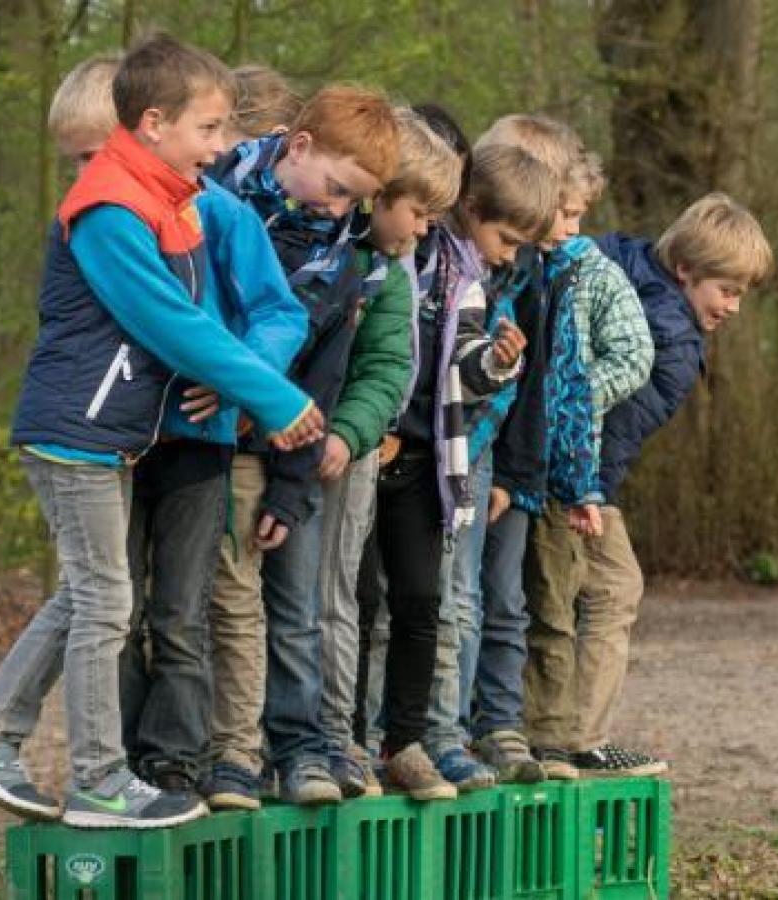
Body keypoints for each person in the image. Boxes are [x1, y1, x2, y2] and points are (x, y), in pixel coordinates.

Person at [0, 33, 323, 829]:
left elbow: (225, 311)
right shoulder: (109, 209)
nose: (220, 147)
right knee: (107, 601)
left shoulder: (166, 199)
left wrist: (249, 385)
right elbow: (173, 323)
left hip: (111, 434)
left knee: (88, 596)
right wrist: (276, 400)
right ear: (153, 123)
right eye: (208, 129)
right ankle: (98, 780)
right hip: (76, 432)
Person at [524, 192, 772, 778]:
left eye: (741, 293)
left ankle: (552, 731)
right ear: (685, 269)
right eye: (726, 290)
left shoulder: (613, 256)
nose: (733, 307)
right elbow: (614, 429)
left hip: (547, 460)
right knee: (613, 587)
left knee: (560, 594)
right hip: (573, 475)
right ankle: (575, 738)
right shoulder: (672, 341)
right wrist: (590, 493)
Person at [202, 84, 401, 808]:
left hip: (280, 458)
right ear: (301, 146)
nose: (342, 210)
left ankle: (300, 749)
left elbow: (322, 381)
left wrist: (291, 487)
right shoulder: (211, 200)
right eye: (339, 189)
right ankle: (217, 753)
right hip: (200, 445)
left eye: (358, 201)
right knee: (213, 608)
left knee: (295, 610)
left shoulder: (342, 262)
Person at [370, 141, 551, 799]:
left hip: (432, 458)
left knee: (428, 601)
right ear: (470, 209)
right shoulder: (395, 259)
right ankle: (360, 735)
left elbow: (464, 366)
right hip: (370, 449)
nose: (510, 255)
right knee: (365, 603)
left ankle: (414, 739)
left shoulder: (469, 276)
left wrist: (498, 363)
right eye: (506, 239)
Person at [472, 144, 653, 784]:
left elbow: (635, 356)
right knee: (496, 597)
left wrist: (572, 396)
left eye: (578, 215)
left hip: (558, 468)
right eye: (565, 213)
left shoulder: (590, 272)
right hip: (504, 454)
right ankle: (495, 725)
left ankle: (550, 735)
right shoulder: (517, 268)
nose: (572, 228)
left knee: (549, 604)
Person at [315, 107, 463, 798]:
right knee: (342, 598)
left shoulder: (403, 274)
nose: (426, 228)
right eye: (420, 212)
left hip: (392, 453)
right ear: (378, 195)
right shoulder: (330, 254)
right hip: (314, 446)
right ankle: (325, 737)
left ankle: (388, 741)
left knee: (406, 600)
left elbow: (398, 368)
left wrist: (354, 431)